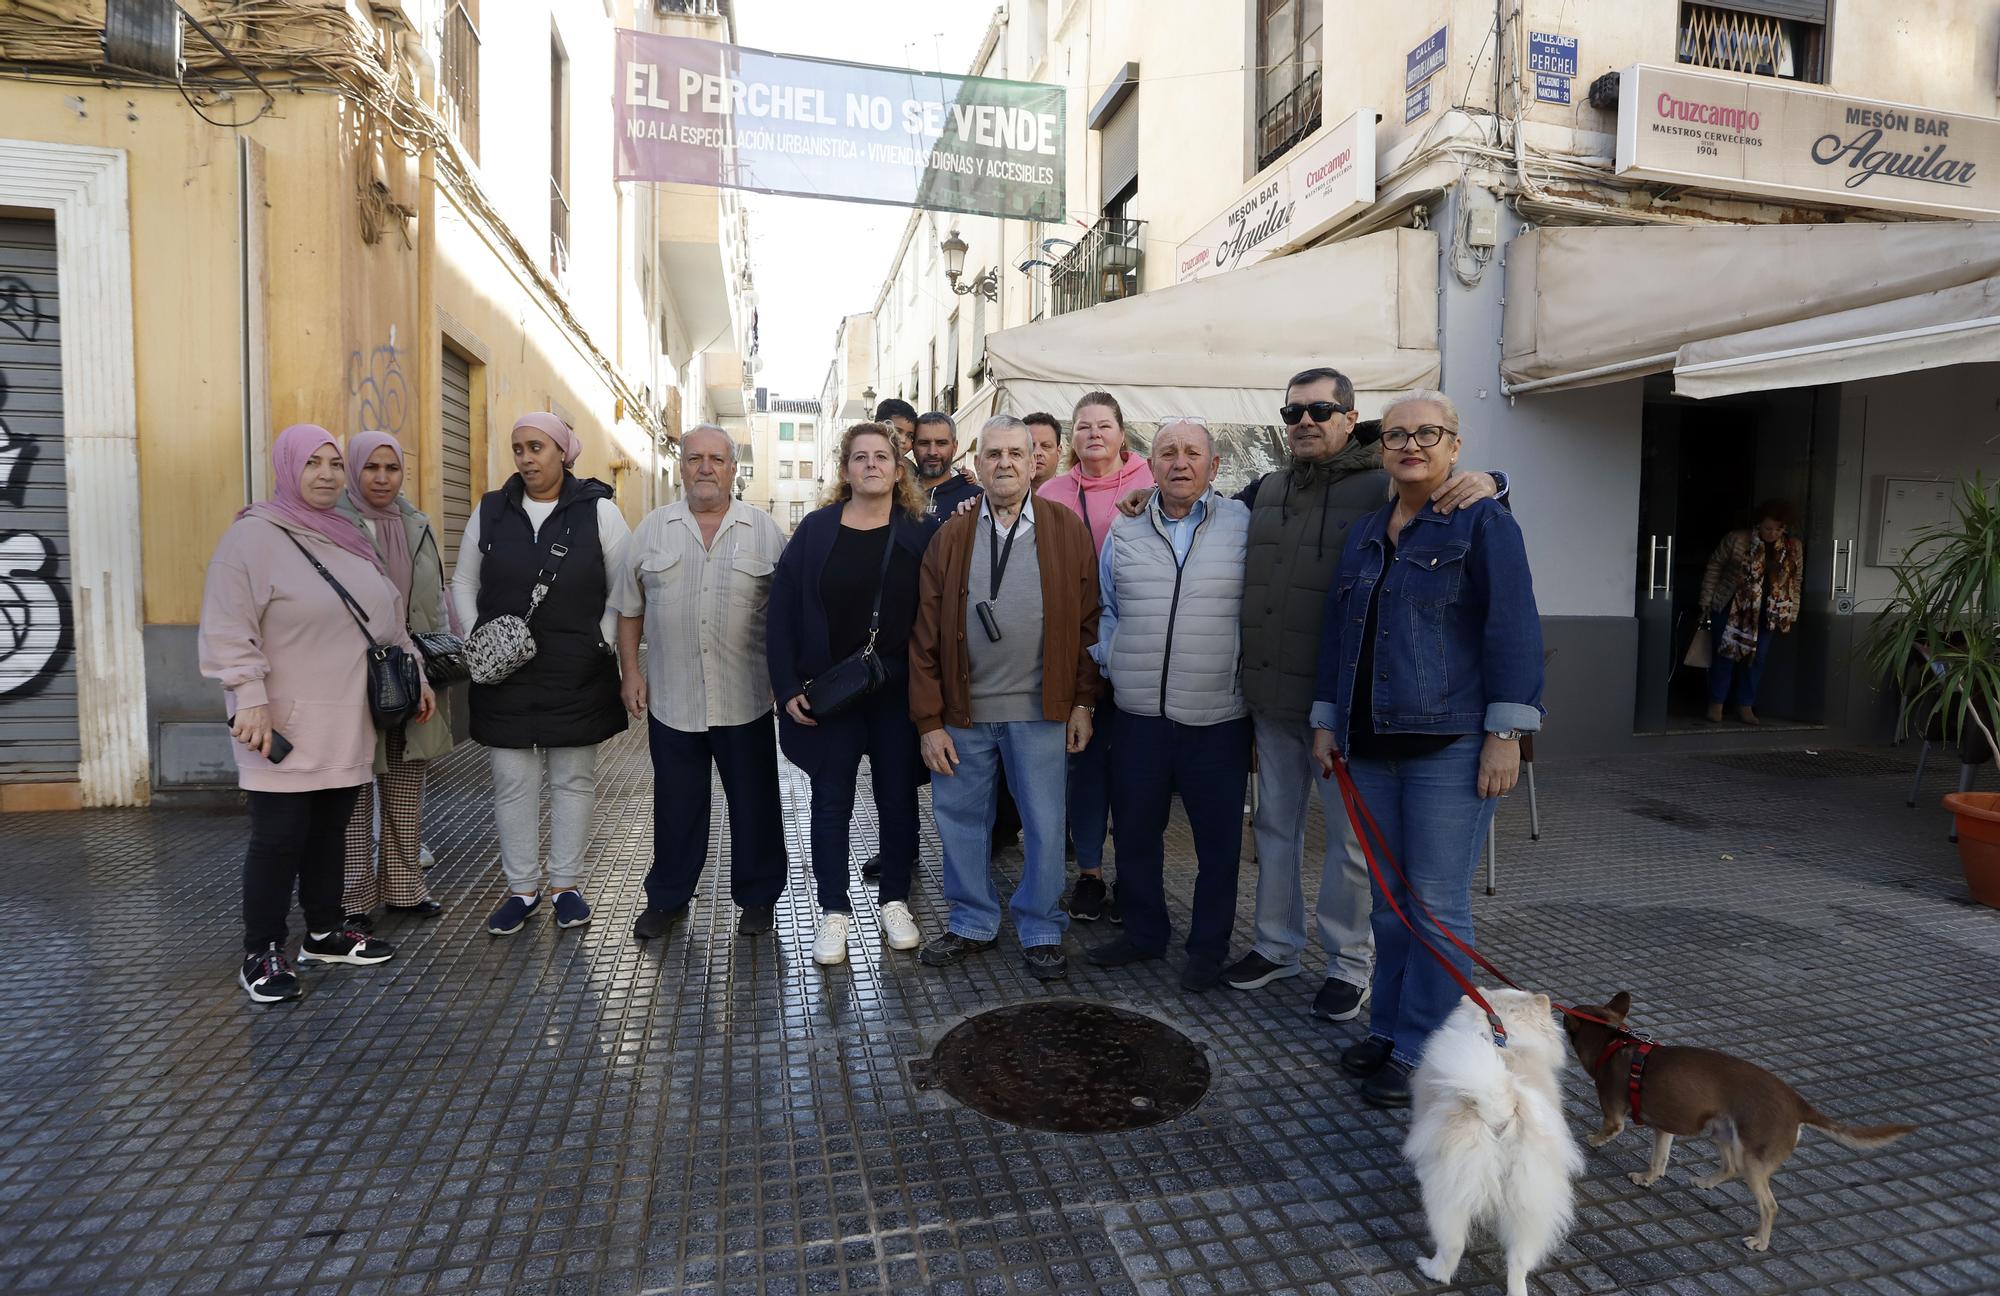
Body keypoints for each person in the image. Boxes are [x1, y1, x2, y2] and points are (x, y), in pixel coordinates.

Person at [1219, 369, 1504, 1024]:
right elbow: (1193, 506)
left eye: (1321, 409)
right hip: (1273, 697)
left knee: (1353, 846)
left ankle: (1350, 965)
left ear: (1352, 419)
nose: (1306, 421)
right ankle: (1275, 945)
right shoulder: (1264, 489)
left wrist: (1496, 481)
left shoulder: (1386, 483)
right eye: (1293, 412)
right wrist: (1139, 498)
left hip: (1348, 704)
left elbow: (1468, 501)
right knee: (1274, 829)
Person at [1310, 390, 1543, 1109]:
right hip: (1368, 744)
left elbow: (1513, 630)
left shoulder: (1484, 521)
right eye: (1399, 435)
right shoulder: (1367, 530)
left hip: (1450, 743)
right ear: (1382, 448)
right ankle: (1388, 1028)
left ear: (1455, 445)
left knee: (1435, 905)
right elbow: (1339, 631)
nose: (1412, 445)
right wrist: (1326, 718)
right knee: (1388, 903)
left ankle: (1424, 1047)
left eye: (1428, 434)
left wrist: (1505, 736)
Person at [200, 423, 432, 1002]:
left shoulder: (347, 536)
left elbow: (389, 621)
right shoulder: (253, 537)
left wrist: (418, 675)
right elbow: (229, 626)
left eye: (333, 463)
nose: (327, 474)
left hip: (347, 717)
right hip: (280, 719)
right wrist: (248, 696)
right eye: (313, 463)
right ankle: (263, 951)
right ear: (287, 469)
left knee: (331, 832)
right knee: (279, 838)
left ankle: (325, 932)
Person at [909, 416, 1101, 980]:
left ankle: (1041, 927)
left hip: (1042, 709)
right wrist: (928, 721)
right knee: (960, 820)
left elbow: (1090, 623)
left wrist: (1083, 703)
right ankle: (971, 920)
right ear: (980, 460)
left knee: (1045, 822)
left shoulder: (1066, 530)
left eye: (1016, 453)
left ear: (1036, 460)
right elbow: (923, 634)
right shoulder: (952, 534)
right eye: (993, 454)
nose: (1005, 464)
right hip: (963, 712)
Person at [1084, 419, 1252, 991]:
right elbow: (1106, 605)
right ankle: (1143, 933)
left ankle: (1207, 948)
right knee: (1133, 832)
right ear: (1148, 465)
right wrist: (1113, 658)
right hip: (1138, 715)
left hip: (1217, 717)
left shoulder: (1243, 525)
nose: (1180, 463)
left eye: (1192, 453)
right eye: (1167, 453)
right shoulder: (1125, 528)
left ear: (1214, 465)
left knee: (1219, 845)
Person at [452, 412, 631, 937]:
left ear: (562, 452)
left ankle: (566, 886)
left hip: (576, 672)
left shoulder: (598, 512)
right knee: (512, 783)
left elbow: (623, 589)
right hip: (504, 673)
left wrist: (599, 639)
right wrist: (476, 637)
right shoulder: (490, 511)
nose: (527, 458)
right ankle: (522, 890)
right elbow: (463, 581)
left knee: (573, 781)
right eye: (519, 449)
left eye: (537, 447)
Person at [612, 425, 788, 941]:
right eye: (694, 459)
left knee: (755, 806)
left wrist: (784, 678)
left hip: (747, 697)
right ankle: (667, 900)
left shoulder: (763, 530)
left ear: (734, 468)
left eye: (716, 459)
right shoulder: (652, 529)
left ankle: (758, 900)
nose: (705, 468)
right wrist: (630, 672)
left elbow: (785, 613)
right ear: (682, 467)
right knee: (676, 806)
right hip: (674, 697)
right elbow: (628, 608)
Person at [769, 422, 930, 966]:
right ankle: (833, 911)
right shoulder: (815, 530)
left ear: (897, 469)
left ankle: (894, 901)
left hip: (895, 689)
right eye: (859, 458)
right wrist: (786, 684)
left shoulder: (918, 532)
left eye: (881, 457)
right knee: (831, 801)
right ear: (844, 471)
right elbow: (782, 610)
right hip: (832, 691)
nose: (870, 465)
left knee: (897, 798)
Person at [1036, 391, 1154, 921]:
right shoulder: (1054, 491)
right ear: (1072, 438)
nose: (1094, 435)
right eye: (1083, 427)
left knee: (1135, 768)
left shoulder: (1155, 481)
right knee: (1081, 764)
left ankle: (1135, 876)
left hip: (1141, 644)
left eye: (1103, 425)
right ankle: (1089, 874)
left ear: (1122, 433)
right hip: (1072, 644)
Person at [336, 430, 456, 928]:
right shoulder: (331, 524)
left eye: (392, 468)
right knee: (354, 792)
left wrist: (445, 654)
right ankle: (352, 900)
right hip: (350, 677)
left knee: (406, 786)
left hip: (410, 675)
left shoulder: (416, 523)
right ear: (354, 470)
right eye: (371, 468)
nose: (382, 479)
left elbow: (437, 597)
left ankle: (405, 888)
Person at [1700, 501, 1802, 725]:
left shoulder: (1793, 547)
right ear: (1758, 524)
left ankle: (1745, 705)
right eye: (1768, 528)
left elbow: (1795, 580)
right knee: (1725, 654)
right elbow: (1715, 566)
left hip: (1768, 610)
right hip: (1732, 605)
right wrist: (1707, 600)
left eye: (1778, 529)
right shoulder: (1737, 539)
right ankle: (1716, 703)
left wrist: (1791, 613)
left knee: (1757, 659)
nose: (1772, 533)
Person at [913, 411, 983, 528]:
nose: (932, 452)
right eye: (924, 443)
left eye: (941, 443)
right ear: (913, 447)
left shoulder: (975, 498)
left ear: (955, 448)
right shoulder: (896, 496)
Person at [1024, 411, 1064, 491]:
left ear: (1058, 452)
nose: (1037, 453)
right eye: (1031, 446)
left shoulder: (1075, 498)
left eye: (1046, 446)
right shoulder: (1001, 498)